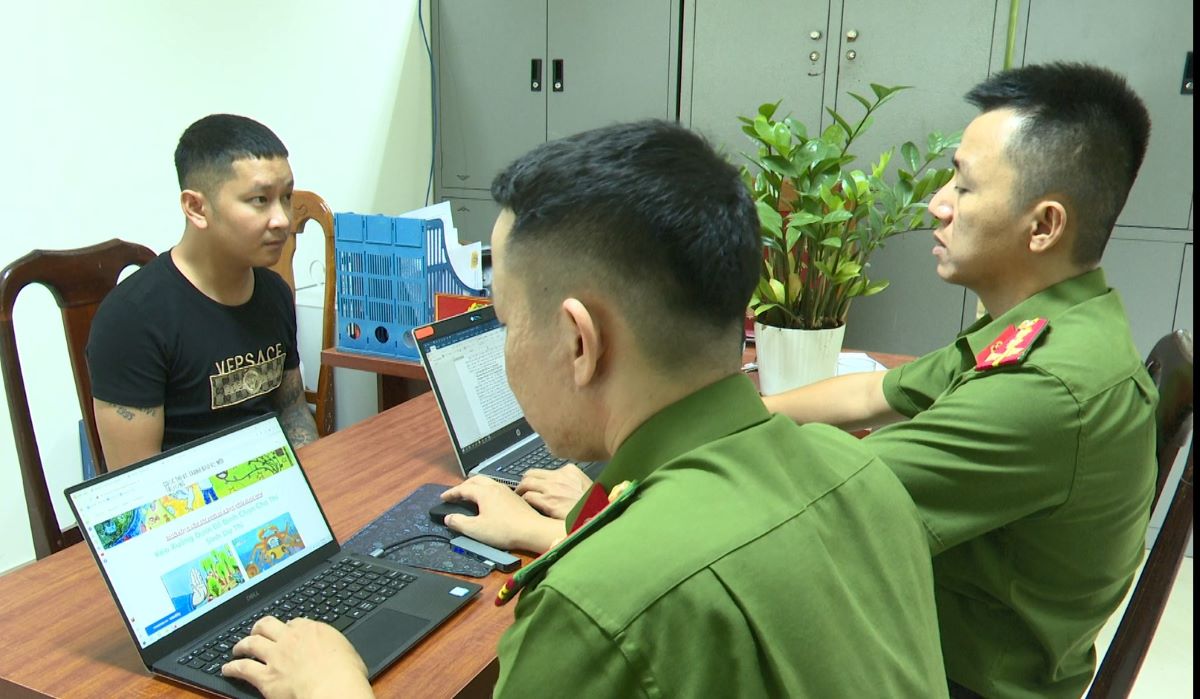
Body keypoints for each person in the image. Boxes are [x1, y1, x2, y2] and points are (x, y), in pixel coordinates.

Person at [220, 120, 949, 697]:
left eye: (504, 319)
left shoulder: (597, 606)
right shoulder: (859, 472)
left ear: (579, 340)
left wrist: (332, 688)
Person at [763, 63, 1157, 698]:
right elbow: (869, 393)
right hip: (945, 634)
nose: (937, 204)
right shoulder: (1055, 323)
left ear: (1045, 225)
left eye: (965, 188)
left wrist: (598, 513)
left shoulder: (1045, 387)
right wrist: (739, 413)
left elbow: (820, 504)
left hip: (958, 678)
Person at [88, 114, 318, 469]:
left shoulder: (274, 292)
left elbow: (292, 410)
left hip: (277, 493)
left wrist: (321, 484)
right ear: (196, 207)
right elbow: (135, 486)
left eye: (285, 197)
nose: (283, 219)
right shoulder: (132, 319)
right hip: (192, 512)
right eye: (259, 200)